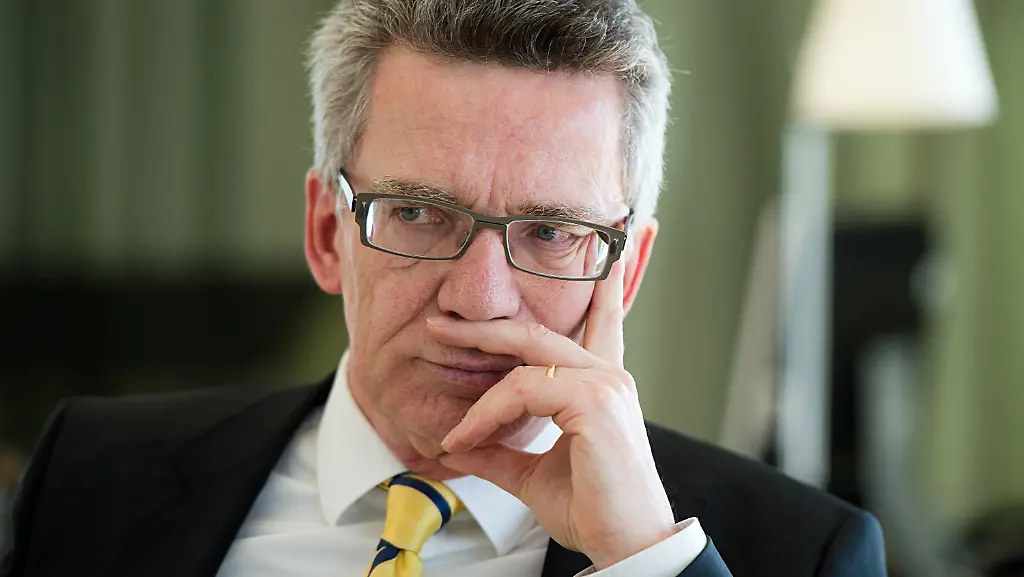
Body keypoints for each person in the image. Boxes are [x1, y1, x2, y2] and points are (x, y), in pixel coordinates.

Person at [0, 1, 887, 576]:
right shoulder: (93, 475)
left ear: (626, 271)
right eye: (420, 214)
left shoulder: (799, 551)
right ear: (326, 232)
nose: (480, 298)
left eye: (549, 231)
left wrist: (642, 561)